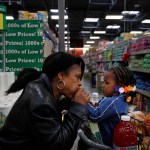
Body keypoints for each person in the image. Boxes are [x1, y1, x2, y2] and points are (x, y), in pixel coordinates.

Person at [0, 52, 90, 150]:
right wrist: (77, 107)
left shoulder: (41, 88)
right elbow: (59, 145)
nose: (80, 83)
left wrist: (71, 102)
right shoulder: (40, 102)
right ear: (61, 76)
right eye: (77, 77)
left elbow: (52, 109)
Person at [78, 66, 136, 149]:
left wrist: (84, 102)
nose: (103, 85)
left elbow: (95, 116)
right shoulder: (120, 99)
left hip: (105, 145)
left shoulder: (113, 101)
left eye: (106, 83)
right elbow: (103, 110)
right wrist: (94, 105)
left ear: (119, 87)